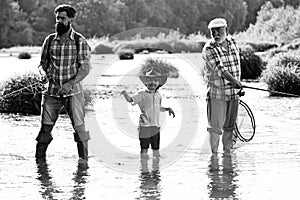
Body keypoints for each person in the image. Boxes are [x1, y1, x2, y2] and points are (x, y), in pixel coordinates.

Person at [35, 4, 91, 162]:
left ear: (71, 20)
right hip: (51, 92)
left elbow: (85, 69)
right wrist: (46, 76)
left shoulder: (80, 41)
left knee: (80, 128)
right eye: (57, 18)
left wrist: (69, 84)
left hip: (74, 93)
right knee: (45, 129)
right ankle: (39, 163)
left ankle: (83, 164)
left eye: (63, 18)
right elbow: (42, 65)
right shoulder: (50, 40)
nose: (59, 21)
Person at [202, 18, 242, 155]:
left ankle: (227, 156)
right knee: (215, 129)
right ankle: (213, 157)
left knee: (229, 128)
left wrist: (238, 86)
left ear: (227, 30)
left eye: (219, 30)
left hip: (233, 95)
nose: (216, 33)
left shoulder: (233, 42)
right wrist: (234, 81)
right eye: (213, 31)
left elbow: (236, 66)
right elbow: (221, 70)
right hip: (216, 95)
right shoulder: (209, 48)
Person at [121, 67, 175, 159]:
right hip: (144, 127)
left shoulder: (158, 95)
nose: (152, 82)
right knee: (144, 150)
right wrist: (125, 94)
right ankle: (144, 170)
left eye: (155, 80)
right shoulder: (142, 94)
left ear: (158, 83)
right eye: (149, 80)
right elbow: (131, 100)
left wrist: (167, 109)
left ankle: (156, 170)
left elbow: (158, 108)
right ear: (146, 82)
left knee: (156, 151)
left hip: (155, 127)